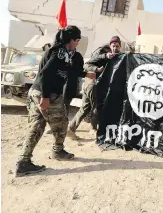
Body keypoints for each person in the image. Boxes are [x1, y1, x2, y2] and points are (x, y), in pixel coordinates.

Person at [15, 26, 96, 177]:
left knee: (37, 126)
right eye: (77, 40)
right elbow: (46, 73)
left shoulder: (60, 51)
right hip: (48, 94)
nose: (77, 43)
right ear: (72, 40)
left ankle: (23, 162)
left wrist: (86, 73)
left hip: (35, 91)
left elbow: (69, 69)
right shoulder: (60, 52)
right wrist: (45, 97)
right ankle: (57, 151)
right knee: (62, 123)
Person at [67, 36, 121, 140]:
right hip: (92, 84)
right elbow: (87, 65)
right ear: (110, 46)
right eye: (113, 46)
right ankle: (93, 129)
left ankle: (71, 128)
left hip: (91, 85)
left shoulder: (117, 56)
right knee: (97, 107)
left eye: (117, 46)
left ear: (120, 46)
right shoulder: (103, 53)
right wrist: (97, 68)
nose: (115, 48)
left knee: (85, 108)